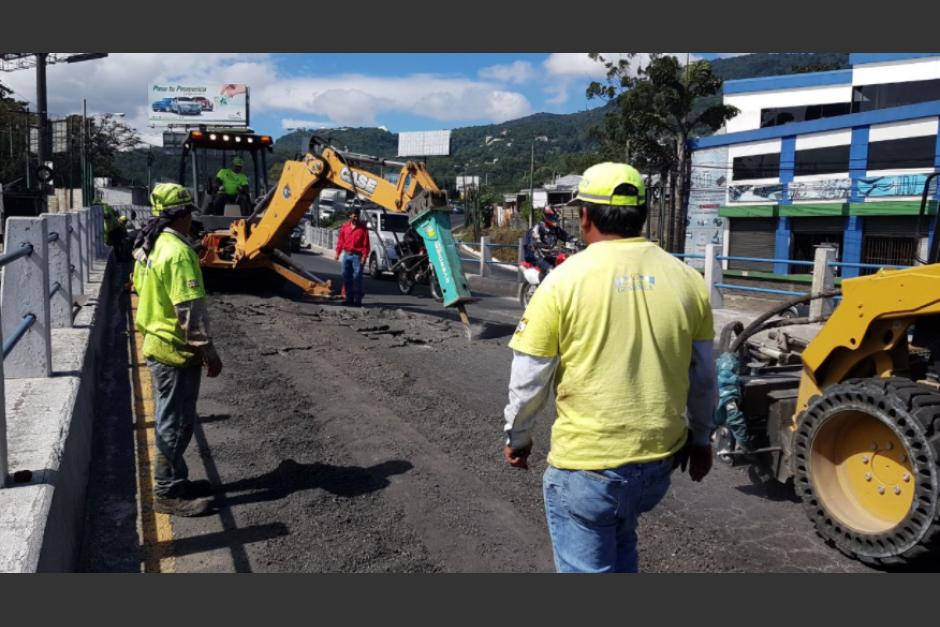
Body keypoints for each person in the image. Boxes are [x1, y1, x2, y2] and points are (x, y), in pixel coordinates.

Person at [501, 162, 717, 573]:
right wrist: (702, 438)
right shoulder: (688, 279)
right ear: (641, 214)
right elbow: (704, 376)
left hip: (589, 469)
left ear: (585, 216)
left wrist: (518, 435)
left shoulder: (563, 281)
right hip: (658, 464)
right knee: (622, 545)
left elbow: (530, 375)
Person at [132, 183, 224, 517]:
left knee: (173, 418)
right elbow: (189, 309)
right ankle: (167, 492)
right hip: (175, 349)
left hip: (156, 342)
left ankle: (177, 478)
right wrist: (209, 352)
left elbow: (139, 287)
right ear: (183, 214)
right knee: (177, 422)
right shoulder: (179, 252)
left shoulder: (149, 244)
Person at [334, 208, 370, 307]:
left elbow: (366, 245)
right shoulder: (345, 227)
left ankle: (357, 300)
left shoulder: (363, 229)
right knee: (346, 277)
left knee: (357, 278)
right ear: (350, 215)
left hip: (357, 256)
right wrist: (337, 253)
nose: (356, 217)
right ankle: (349, 298)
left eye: (357, 215)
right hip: (347, 255)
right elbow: (341, 241)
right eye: (354, 215)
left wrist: (364, 257)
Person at [522, 205, 572, 275]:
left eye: (555, 217)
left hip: (549, 256)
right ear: (545, 216)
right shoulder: (538, 228)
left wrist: (574, 240)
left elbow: (566, 236)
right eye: (552, 217)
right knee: (551, 271)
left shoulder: (556, 229)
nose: (554, 219)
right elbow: (533, 241)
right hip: (537, 257)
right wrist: (538, 244)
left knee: (563, 268)